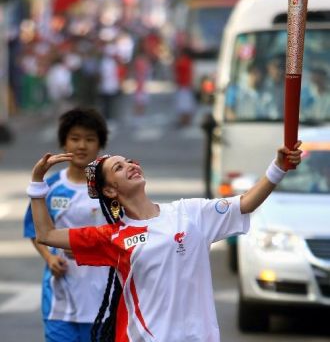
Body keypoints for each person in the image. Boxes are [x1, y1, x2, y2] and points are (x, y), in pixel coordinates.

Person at [26, 141, 302, 341]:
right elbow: (46, 235)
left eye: (129, 161)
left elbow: (245, 203)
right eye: (119, 168)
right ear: (110, 190)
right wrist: (38, 183)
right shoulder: (113, 237)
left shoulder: (189, 212)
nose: (131, 166)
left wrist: (278, 167)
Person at [23, 107, 117, 342]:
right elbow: (35, 230)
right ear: (64, 143)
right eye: (74, 138)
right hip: (60, 297)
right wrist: (49, 258)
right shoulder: (50, 187)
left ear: (100, 144)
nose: (81, 146)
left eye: (90, 139)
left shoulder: (111, 190)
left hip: (103, 297)